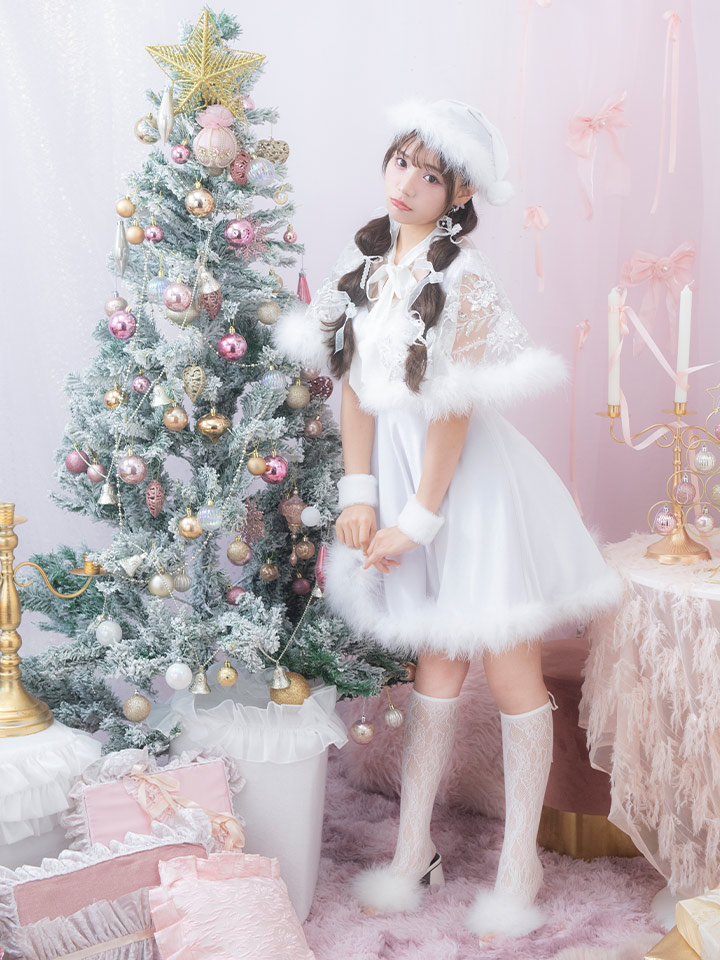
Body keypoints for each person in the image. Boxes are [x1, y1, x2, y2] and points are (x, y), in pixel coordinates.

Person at [270, 97, 623, 943]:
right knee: (434, 665)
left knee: (509, 667)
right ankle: (413, 850)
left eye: (430, 176)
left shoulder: (462, 279)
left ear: (459, 194)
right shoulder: (363, 269)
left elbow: (453, 415)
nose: (407, 183)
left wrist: (418, 521)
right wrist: (360, 497)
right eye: (401, 162)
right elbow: (354, 393)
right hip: (401, 486)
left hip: (471, 493)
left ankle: (519, 865)